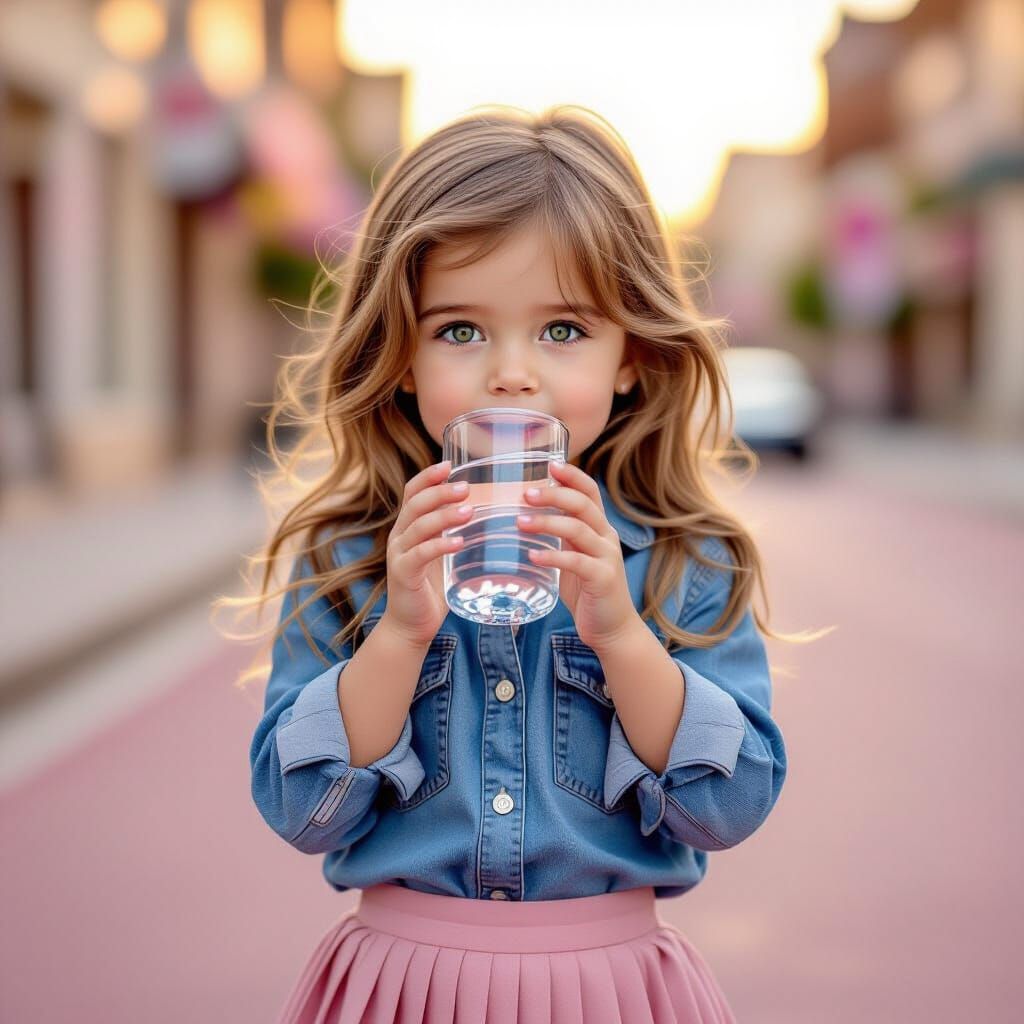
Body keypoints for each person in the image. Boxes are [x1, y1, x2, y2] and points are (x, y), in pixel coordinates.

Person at [229, 104, 823, 1023]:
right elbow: (302, 811)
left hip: (607, 988)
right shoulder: (347, 555)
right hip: (405, 987)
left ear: (633, 356)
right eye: (461, 330)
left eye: (563, 331)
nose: (512, 373)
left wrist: (620, 633)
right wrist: (400, 633)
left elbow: (730, 808)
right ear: (402, 355)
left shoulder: (684, 560)